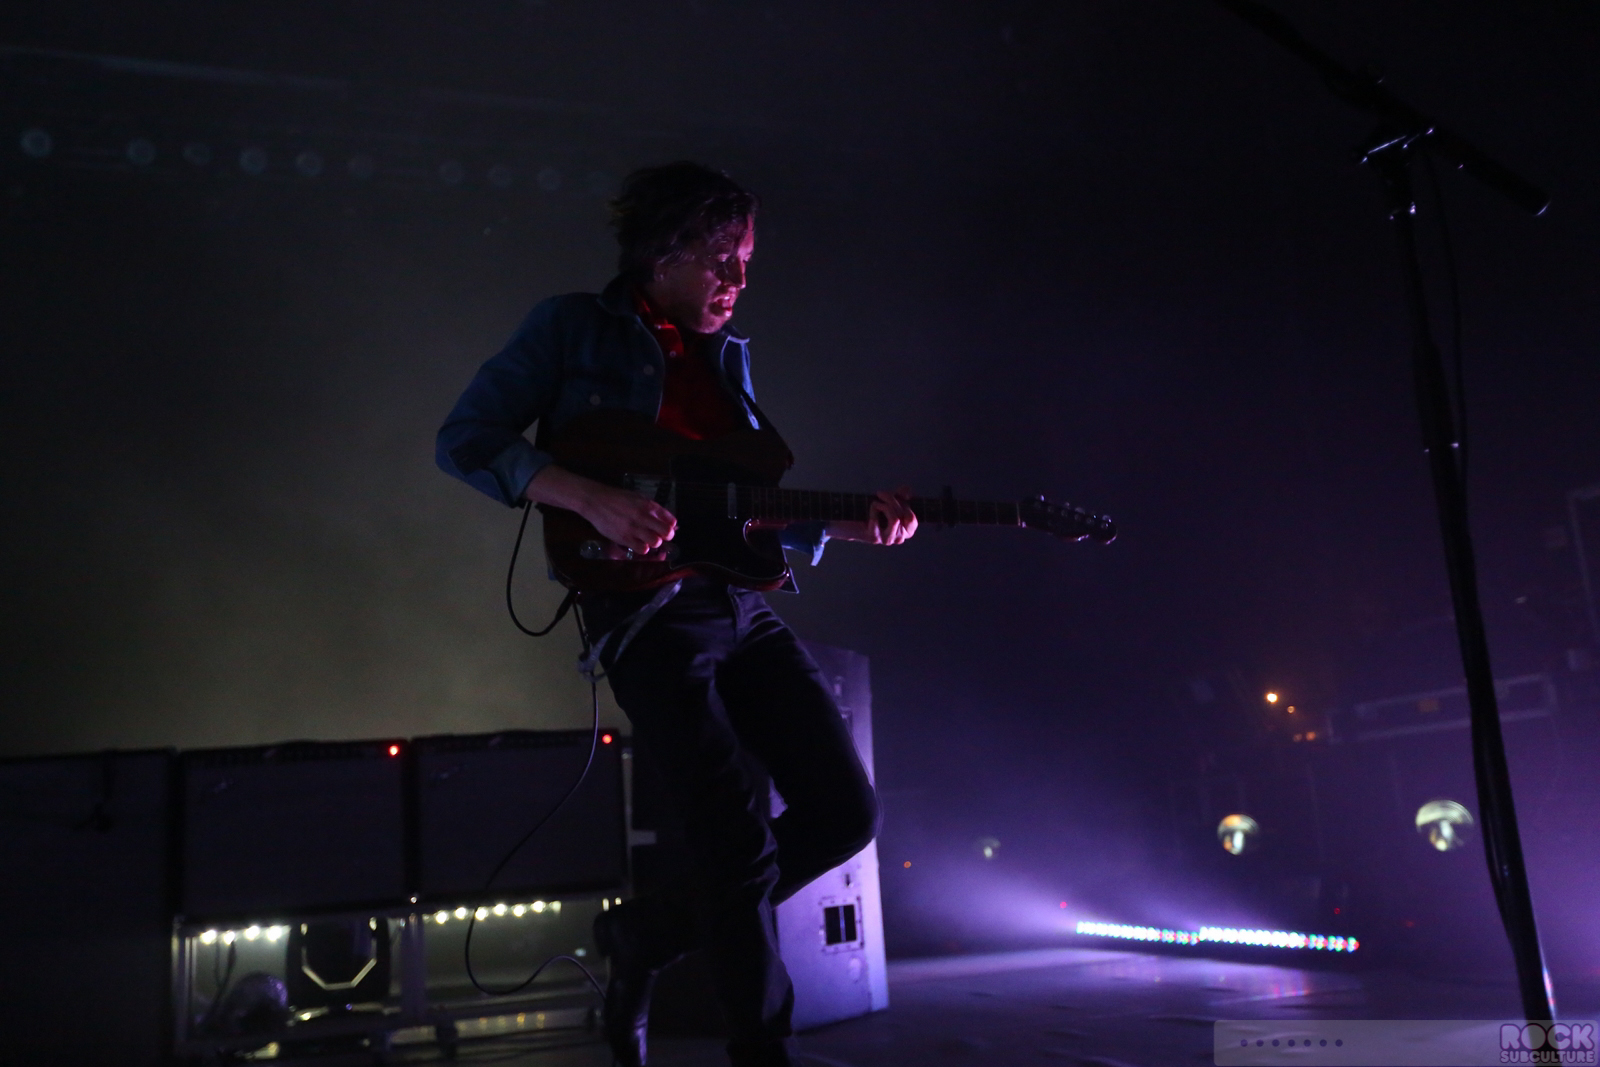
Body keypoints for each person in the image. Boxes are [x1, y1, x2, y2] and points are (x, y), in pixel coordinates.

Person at [436, 161, 917, 1067]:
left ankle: (646, 935)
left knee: (844, 812)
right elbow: (465, 439)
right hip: (645, 618)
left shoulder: (729, 358)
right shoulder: (571, 326)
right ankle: (761, 1050)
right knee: (735, 839)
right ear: (663, 252)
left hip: (740, 605)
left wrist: (842, 526)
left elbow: (736, 509)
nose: (738, 280)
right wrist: (587, 496)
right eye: (721, 259)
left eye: (746, 262)